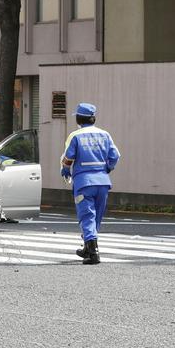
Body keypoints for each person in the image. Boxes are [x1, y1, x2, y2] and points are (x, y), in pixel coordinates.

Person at [61, 103, 120, 265]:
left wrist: (65, 169)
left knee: (87, 215)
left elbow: (68, 157)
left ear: (79, 119)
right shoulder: (105, 135)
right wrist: (107, 168)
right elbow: (115, 156)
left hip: (83, 182)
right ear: (93, 118)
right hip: (102, 181)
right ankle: (88, 247)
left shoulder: (75, 136)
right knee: (96, 217)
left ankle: (93, 252)